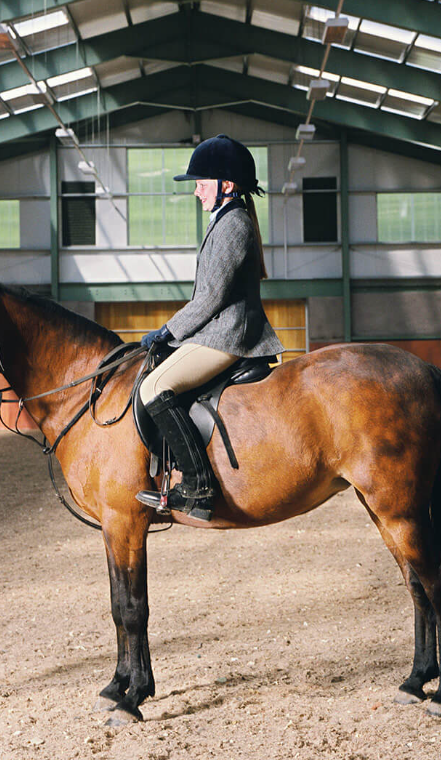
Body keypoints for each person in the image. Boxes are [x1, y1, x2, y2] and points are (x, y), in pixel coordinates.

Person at [133, 134, 285, 520]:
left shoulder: (234, 224)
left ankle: (198, 488)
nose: (197, 191)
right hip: (217, 331)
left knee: (154, 387)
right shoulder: (226, 220)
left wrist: (167, 331)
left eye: (201, 183)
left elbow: (210, 299)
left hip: (229, 336)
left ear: (226, 185)